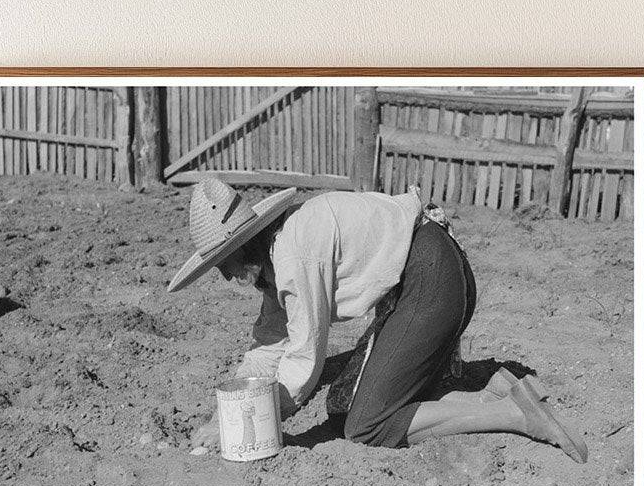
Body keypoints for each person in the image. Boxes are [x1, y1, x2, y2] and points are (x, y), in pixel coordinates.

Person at [168, 176, 586, 462]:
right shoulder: (279, 248)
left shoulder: (293, 253)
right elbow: (270, 343)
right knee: (343, 400)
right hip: (434, 279)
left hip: (432, 285)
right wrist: (222, 415)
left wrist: (255, 416)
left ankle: (514, 414)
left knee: (367, 425)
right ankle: (488, 381)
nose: (224, 276)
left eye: (223, 263)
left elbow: (302, 358)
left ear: (244, 247)